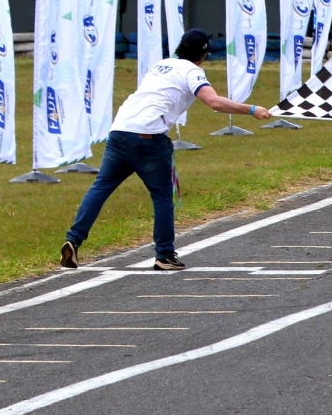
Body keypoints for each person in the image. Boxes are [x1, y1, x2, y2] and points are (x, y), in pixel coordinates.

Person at [60, 29, 273, 271]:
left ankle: (73, 240)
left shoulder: (161, 65)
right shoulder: (193, 71)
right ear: (203, 54)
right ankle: (164, 254)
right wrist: (251, 109)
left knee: (100, 188)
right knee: (162, 196)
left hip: (119, 131)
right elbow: (213, 101)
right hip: (149, 138)